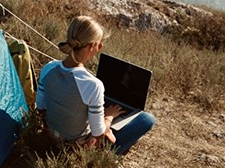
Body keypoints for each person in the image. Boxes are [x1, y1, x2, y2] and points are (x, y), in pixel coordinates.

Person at [35, 15, 154, 155]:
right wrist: (109, 116)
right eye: (99, 43)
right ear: (92, 46)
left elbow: (41, 107)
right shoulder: (92, 85)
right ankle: (111, 156)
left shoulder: (48, 68)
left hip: (53, 137)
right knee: (147, 119)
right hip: (76, 149)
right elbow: (98, 134)